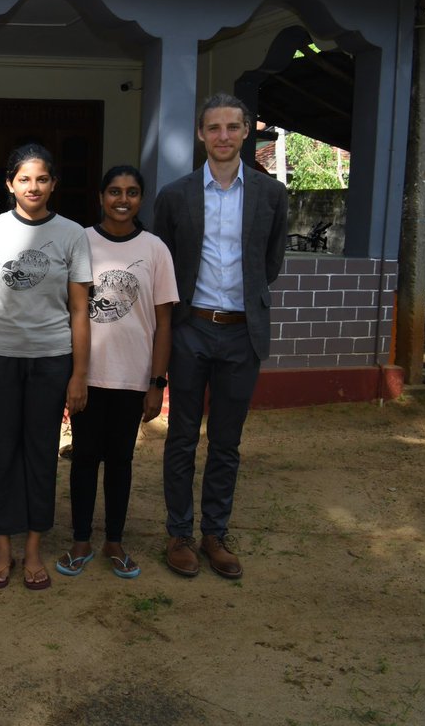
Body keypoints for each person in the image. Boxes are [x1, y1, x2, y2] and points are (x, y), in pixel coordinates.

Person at [152, 92, 288, 579]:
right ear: (200, 135)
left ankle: (215, 533)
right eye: (214, 128)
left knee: (227, 442)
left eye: (233, 127)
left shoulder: (271, 195)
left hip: (241, 335)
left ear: (247, 130)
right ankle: (179, 533)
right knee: (182, 438)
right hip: (190, 330)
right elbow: (163, 266)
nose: (224, 136)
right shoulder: (175, 196)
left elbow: (270, 263)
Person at [0, 144, 91, 591]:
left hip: (51, 358)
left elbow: (80, 309)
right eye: (24, 179)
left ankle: (33, 550)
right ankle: (3, 548)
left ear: (53, 184)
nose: (33, 187)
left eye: (42, 179)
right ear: (9, 184)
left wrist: (79, 373)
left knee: (42, 455)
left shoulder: (71, 234)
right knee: (2, 453)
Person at [57, 165, 177, 580]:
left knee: (121, 460)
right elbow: (70, 312)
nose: (122, 199)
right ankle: (80, 540)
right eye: (114, 191)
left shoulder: (156, 249)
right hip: (88, 375)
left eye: (131, 192)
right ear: (101, 197)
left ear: (141, 198)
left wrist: (156, 383)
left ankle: (115, 541)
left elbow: (163, 323)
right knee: (85, 458)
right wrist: (73, 374)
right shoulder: (81, 241)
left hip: (132, 377)